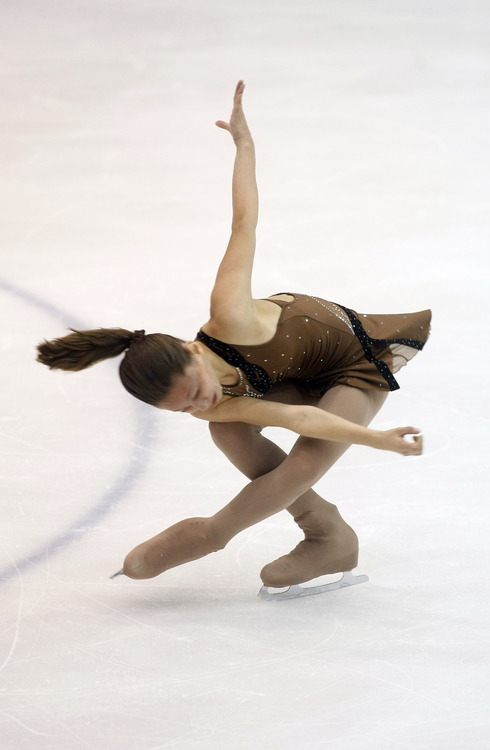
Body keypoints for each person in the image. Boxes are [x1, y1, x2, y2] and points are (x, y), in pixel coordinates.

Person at [37, 81, 431, 589]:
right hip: (300, 378)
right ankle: (328, 533)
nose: (202, 403)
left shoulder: (228, 315)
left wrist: (245, 147)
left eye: (197, 393)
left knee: (306, 457)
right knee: (225, 428)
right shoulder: (213, 403)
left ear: (190, 350)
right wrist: (207, 407)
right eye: (184, 409)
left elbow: (243, 224)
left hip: (352, 358)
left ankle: (230, 533)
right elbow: (287, 412)